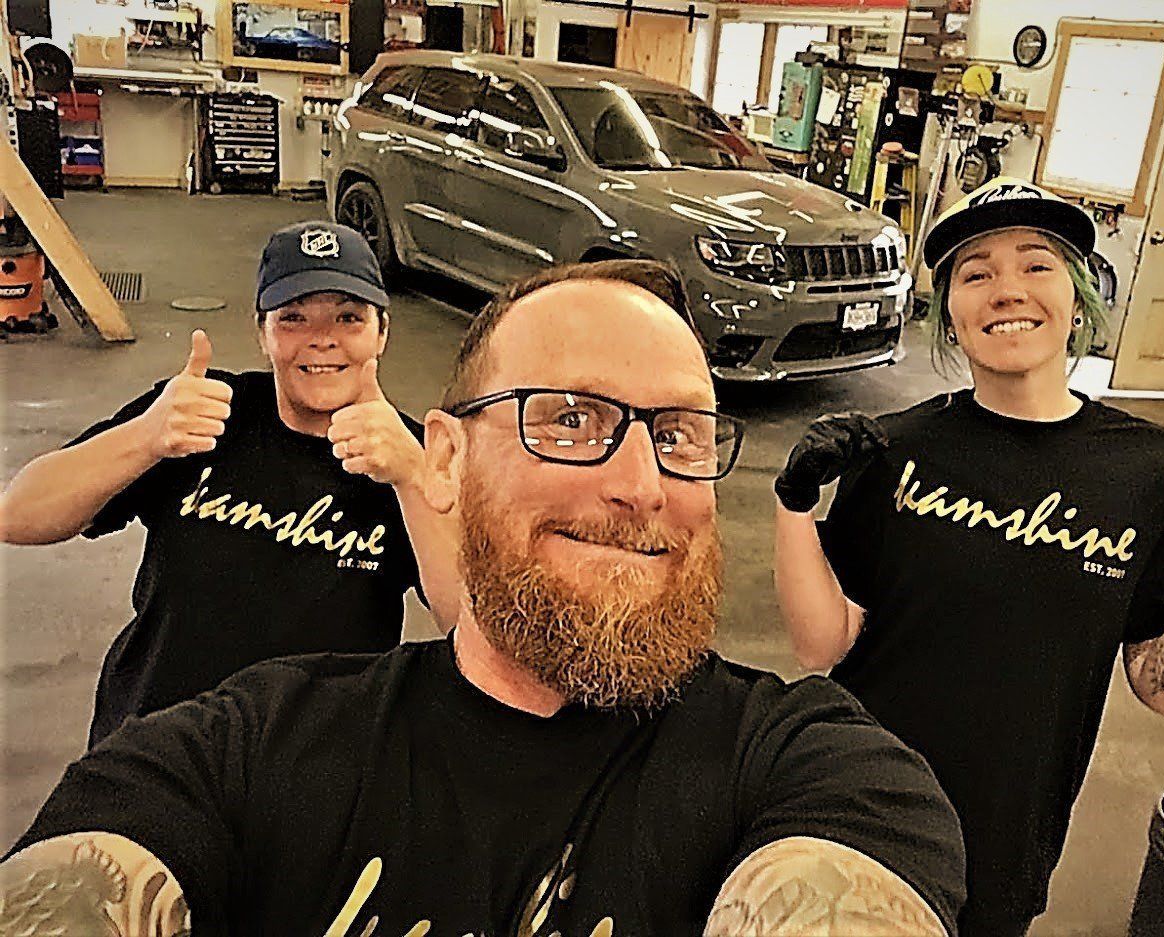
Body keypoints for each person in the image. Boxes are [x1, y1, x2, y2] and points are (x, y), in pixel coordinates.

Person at [1, 260, 967, 936]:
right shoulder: (234, 750)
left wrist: (402, 477)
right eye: (572, 419)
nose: (641, 483)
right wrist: (149, 436)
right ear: (454, 454)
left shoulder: (815, 769)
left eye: (679, 431)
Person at [774, 177, 1164, 936]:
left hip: (1002, 844)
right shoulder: (892, 447)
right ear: (951, 312)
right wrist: (793, 506)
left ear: (1077, 294)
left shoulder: (1145, 469)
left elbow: (1163, 686)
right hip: (855, 804)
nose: (1006, 290)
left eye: (1035, 264)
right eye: (975, 272)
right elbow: (821, 642)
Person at [0, 221, 448, 746]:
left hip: (318, 765)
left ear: (382, 333)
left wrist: (413, 477)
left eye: (348, 318)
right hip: (157, 747)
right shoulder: (199, 413)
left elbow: (471, 624)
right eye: (294, 318)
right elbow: (18, 515)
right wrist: (147, 437)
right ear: (263, 333)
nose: (322, 338)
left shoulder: (412, 455)